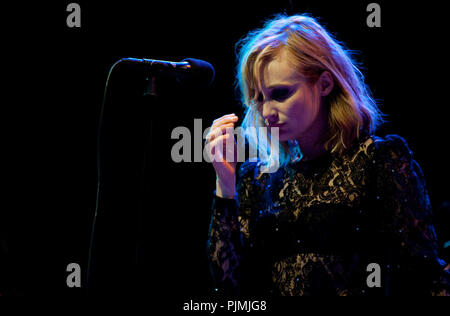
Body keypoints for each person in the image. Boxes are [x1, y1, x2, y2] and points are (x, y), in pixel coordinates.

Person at [205, 13, 450, 296]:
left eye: (280, 93)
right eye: (258, 98)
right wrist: (225, 185)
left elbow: (424, 277)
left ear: (324, 84)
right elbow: (230, 289)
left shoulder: (377, 160)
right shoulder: (256, 179)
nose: (267, 111)